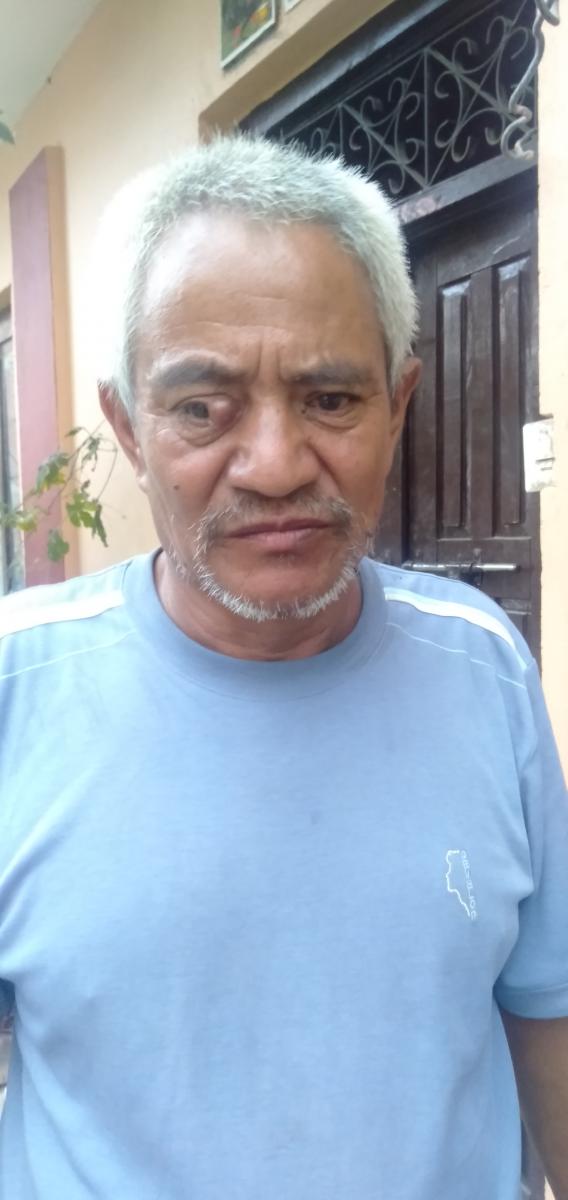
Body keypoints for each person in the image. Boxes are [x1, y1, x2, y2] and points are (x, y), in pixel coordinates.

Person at [0, 134, 567, 1200]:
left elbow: (548, 1016)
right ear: (127, 426)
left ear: (398, 406)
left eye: (330, 400)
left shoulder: (482, 665)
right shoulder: (15, 689)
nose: (272, 465)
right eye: (201, 408)